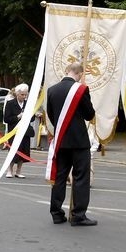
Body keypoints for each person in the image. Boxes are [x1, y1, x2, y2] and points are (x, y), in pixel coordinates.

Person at [46, 62, 97, 226]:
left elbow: (52, 116)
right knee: (81, 177)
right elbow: (89, 114)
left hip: (62, 140)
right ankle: (78, 215)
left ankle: (56, 213)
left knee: (60, 177)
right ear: (80, 74)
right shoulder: (81, 90)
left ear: (67, 71)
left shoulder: (52, 90)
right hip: (79, 141)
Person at [3, 83, 37, 178]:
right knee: (13, 150)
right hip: (14, 131)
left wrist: (28, 116)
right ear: (17, 94)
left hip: (25, 131)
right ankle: (9, 170)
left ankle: (18, 171)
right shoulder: (10, 103)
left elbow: (33, 118)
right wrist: (18, 117)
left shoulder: (28, 104)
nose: (24, 96)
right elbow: (6, 119)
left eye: (26, 94)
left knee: (23, 150)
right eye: (22, 94)